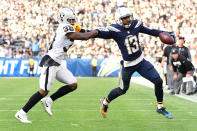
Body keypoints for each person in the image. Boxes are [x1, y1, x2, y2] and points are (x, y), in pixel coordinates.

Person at [15, 7, 98, 123]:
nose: (73, 22)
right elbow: (84, 37)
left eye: (73, 20)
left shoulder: (69, 27)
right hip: (50, 62)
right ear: (64, 19)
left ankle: (49, 100)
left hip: (57, 63)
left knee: (73, 84)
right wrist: (96, 31)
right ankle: (22, 113)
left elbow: (84, 32)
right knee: (43, 91)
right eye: (70, 20)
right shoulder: (65, 27)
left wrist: (94, 31)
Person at [95, 7, 175, 119]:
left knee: (158, 81)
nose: (128, 19)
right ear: (119, 19)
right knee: (122, 90)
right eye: (124, 18)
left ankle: (160, 107)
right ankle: (105, 102)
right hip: (128, 66)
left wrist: (165, 33)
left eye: (128, 17)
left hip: (141, 62)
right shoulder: (115, 30)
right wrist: (85, 32)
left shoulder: (136, 24)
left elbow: (151, 31)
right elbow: (99, 33)